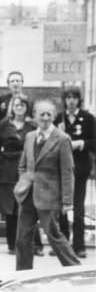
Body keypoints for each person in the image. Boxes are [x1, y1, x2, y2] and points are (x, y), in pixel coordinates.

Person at [13, 99, 81, 270]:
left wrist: (67, 202)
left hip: (49, 197)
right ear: (34, 116)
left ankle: (75, 269)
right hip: (27, 195)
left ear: (54, 117)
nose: (44, 118)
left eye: (48, 114)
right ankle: (22, 274)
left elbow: (67, 172)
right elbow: (23, 164)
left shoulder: (62, 139)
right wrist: (24, 181)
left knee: (53, 236)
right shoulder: (29, 137)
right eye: (41, 114)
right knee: (22, 238)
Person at [0, 95, 44, 256]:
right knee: (10, 207)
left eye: (22, 105)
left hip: (27, 168)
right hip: (7, 169)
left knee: (29, 206)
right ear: (12, 107)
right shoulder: (5, 124)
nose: (19, 107)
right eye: (16, 105)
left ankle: (35, 243)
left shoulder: (32, 125)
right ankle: (12, 244)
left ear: (27, 108)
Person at [54, 87, 96, 259]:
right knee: (62, 207)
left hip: (80, 168)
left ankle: (79, 246)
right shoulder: (58, 118)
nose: (71, 101)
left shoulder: (88, 118)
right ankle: (62, 244)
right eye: (68, 98)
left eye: (74, 98)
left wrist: (80, 144)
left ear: (79, 100)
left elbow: (95, 141)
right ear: (64, 100)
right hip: (61, 169)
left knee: (78, 208)